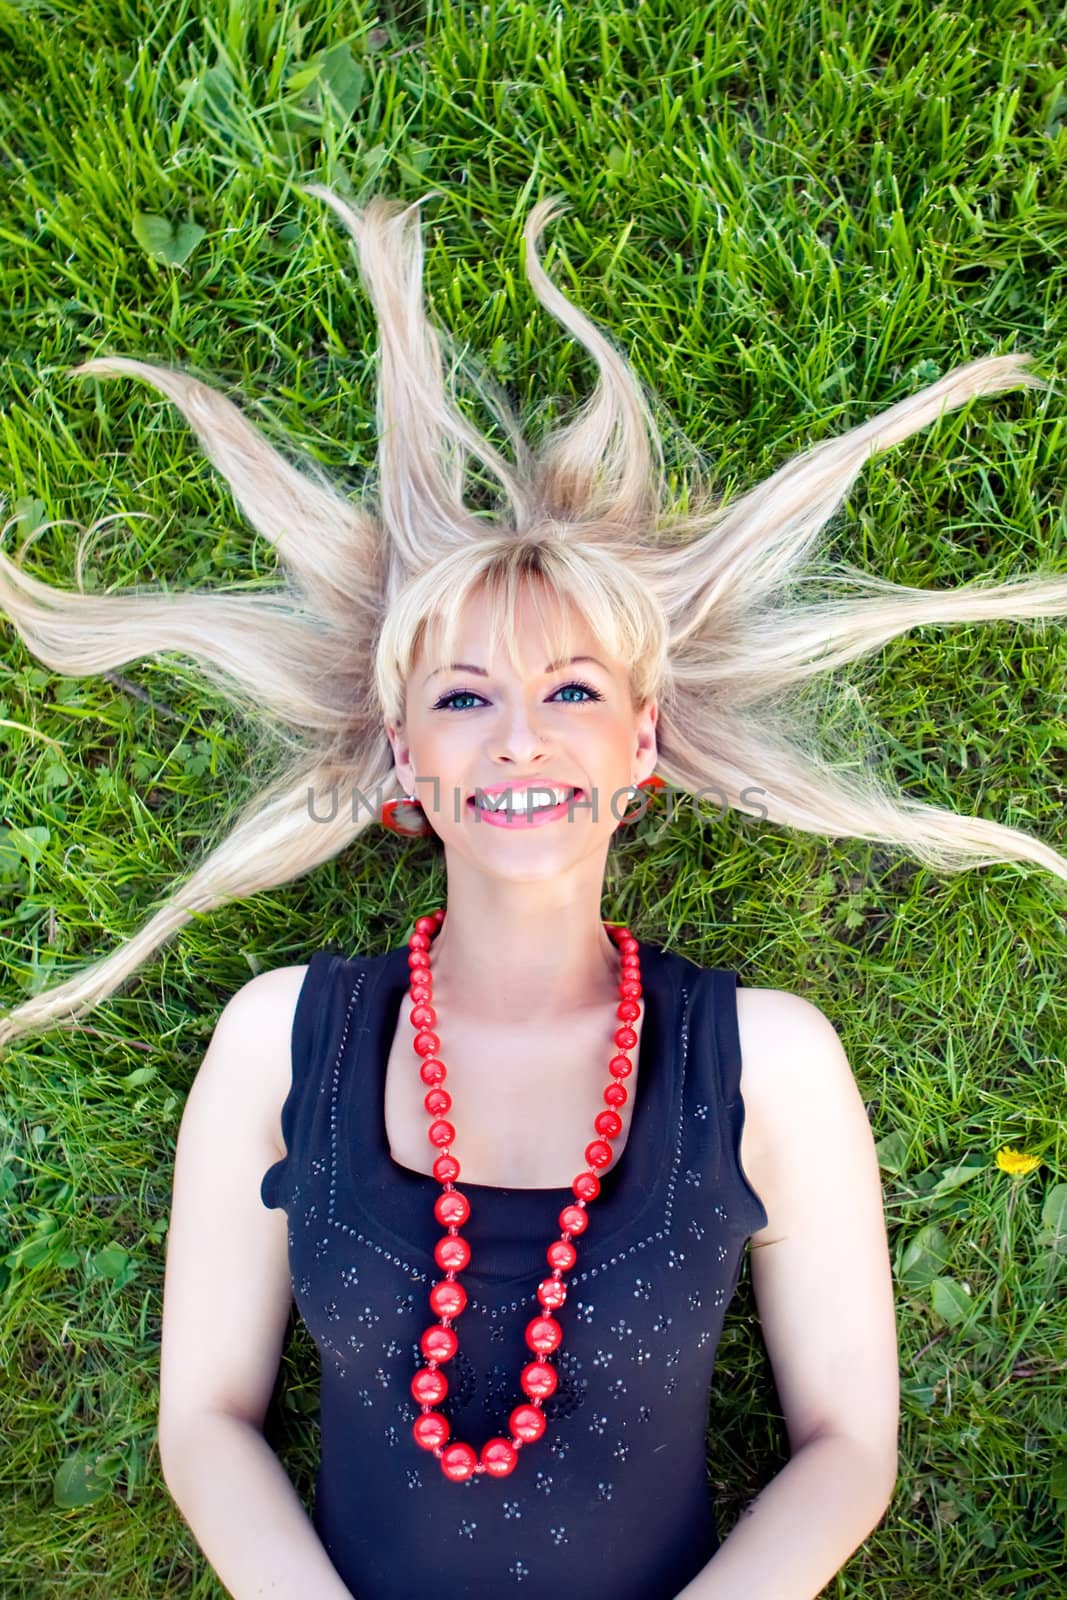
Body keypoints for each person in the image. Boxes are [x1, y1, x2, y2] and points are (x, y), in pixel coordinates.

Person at [1, 186, 1065, 1600]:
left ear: (641, 745)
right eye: (464, 695)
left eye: (571, 690)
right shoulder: (281, 1043)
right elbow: (204, 1423)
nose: (519, 736)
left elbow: (849, 1446)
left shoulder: (772, 1066)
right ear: (405, 753)